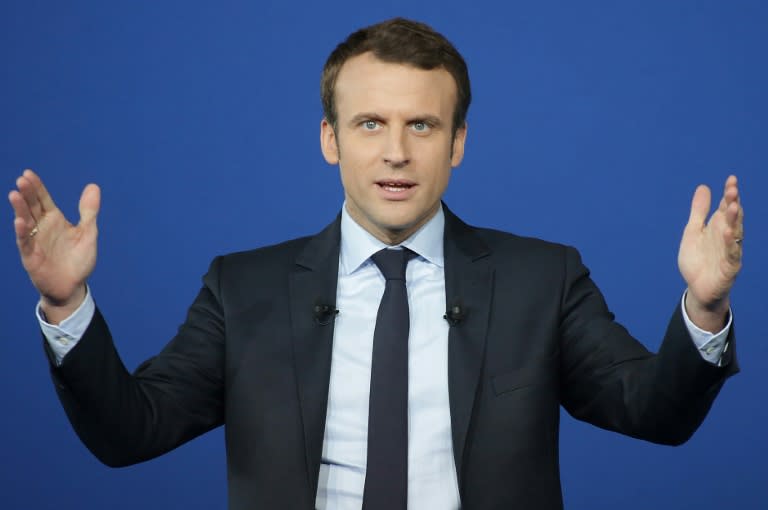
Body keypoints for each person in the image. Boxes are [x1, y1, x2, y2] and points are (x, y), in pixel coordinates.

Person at [8, 17, 743, 510]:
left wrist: (703, 308)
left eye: (422, 125)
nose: (396, 152)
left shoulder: (542, 280)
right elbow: (130, 432)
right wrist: (69, 307)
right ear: (330, 139)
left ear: (457, 143)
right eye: (370, 124)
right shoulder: (243, 289)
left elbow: (653, 413)